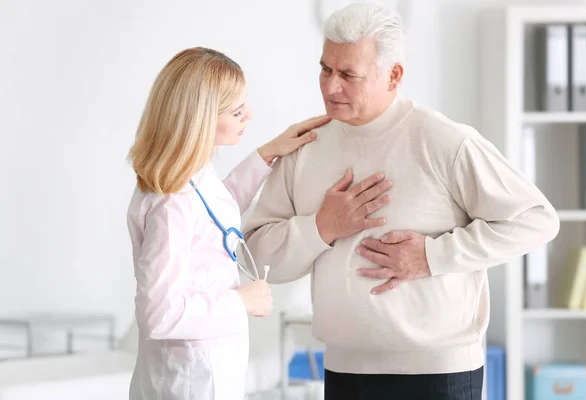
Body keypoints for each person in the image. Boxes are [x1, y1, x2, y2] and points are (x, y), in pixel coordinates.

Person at [243, 4, 560, 400]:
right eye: (325, 69)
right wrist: (320, 229)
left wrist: (431, 255)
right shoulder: (304, 147)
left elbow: (537, 220)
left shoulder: (445, 141)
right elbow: (254, 257)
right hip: (343, 371)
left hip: (439, 374)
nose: (329, 87)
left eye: (348, 75)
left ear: (394, 75)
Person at [125, 47, 330, 400]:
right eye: (236, 111)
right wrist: (242, 302)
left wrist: (268, 153)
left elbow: (214, 215)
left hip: (204, 371)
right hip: (188, 381)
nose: (248, 115)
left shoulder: (187, 178)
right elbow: (157, 314)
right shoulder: (172, 203)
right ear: (200, 119)